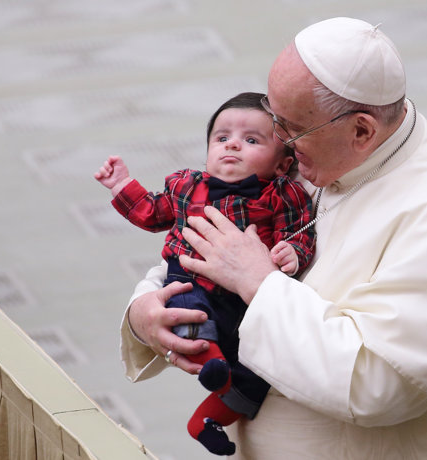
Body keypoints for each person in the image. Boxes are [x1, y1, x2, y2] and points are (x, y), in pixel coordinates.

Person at [120, 17, 427, 459]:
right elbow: (215, 241)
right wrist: (145, 311)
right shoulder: (321, 148)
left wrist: (259, 284)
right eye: (274, 119)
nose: (279, 142)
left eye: (291, 128)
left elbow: (379, 384)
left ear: (362, 130)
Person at [95, 92, 316, 456]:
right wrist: (121, 185)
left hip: (245, 298)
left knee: (260, 369)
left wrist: (292, 252)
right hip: (191, 277)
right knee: (187, 309)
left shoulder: (283, 194)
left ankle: (207, 420)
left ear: (281, 165)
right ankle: (210, 361)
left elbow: (299, 231)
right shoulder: (186, 185)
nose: (232, 145)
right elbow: (151, 212)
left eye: (251, 140)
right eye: (221, 137)